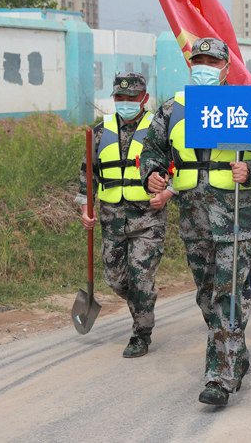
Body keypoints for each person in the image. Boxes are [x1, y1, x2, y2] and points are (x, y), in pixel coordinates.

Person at [140, 38, 251, 407]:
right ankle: (236, 354)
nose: (203, 65)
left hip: (235, 214)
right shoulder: (173, 108)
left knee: (228, 295)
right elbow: (152, 151)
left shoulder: (250, 105)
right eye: (197, 59)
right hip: (193, 217)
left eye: (211, 60)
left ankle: (219, 377)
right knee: (206, 296)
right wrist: (152, 174)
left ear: (225, 67)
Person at [77, 73, 169, 359]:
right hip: (111, 219)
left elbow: (179, 165)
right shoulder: (99, 132)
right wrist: (85, 209)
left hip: (147, 219)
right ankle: (145, 305)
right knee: (116, 279)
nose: (126, 102)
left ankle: (141, 334)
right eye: (120, 98)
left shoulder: (159, 129)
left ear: (144, 98)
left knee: (140, 278)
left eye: (132, 98)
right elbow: (86, 176)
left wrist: (169, 191)